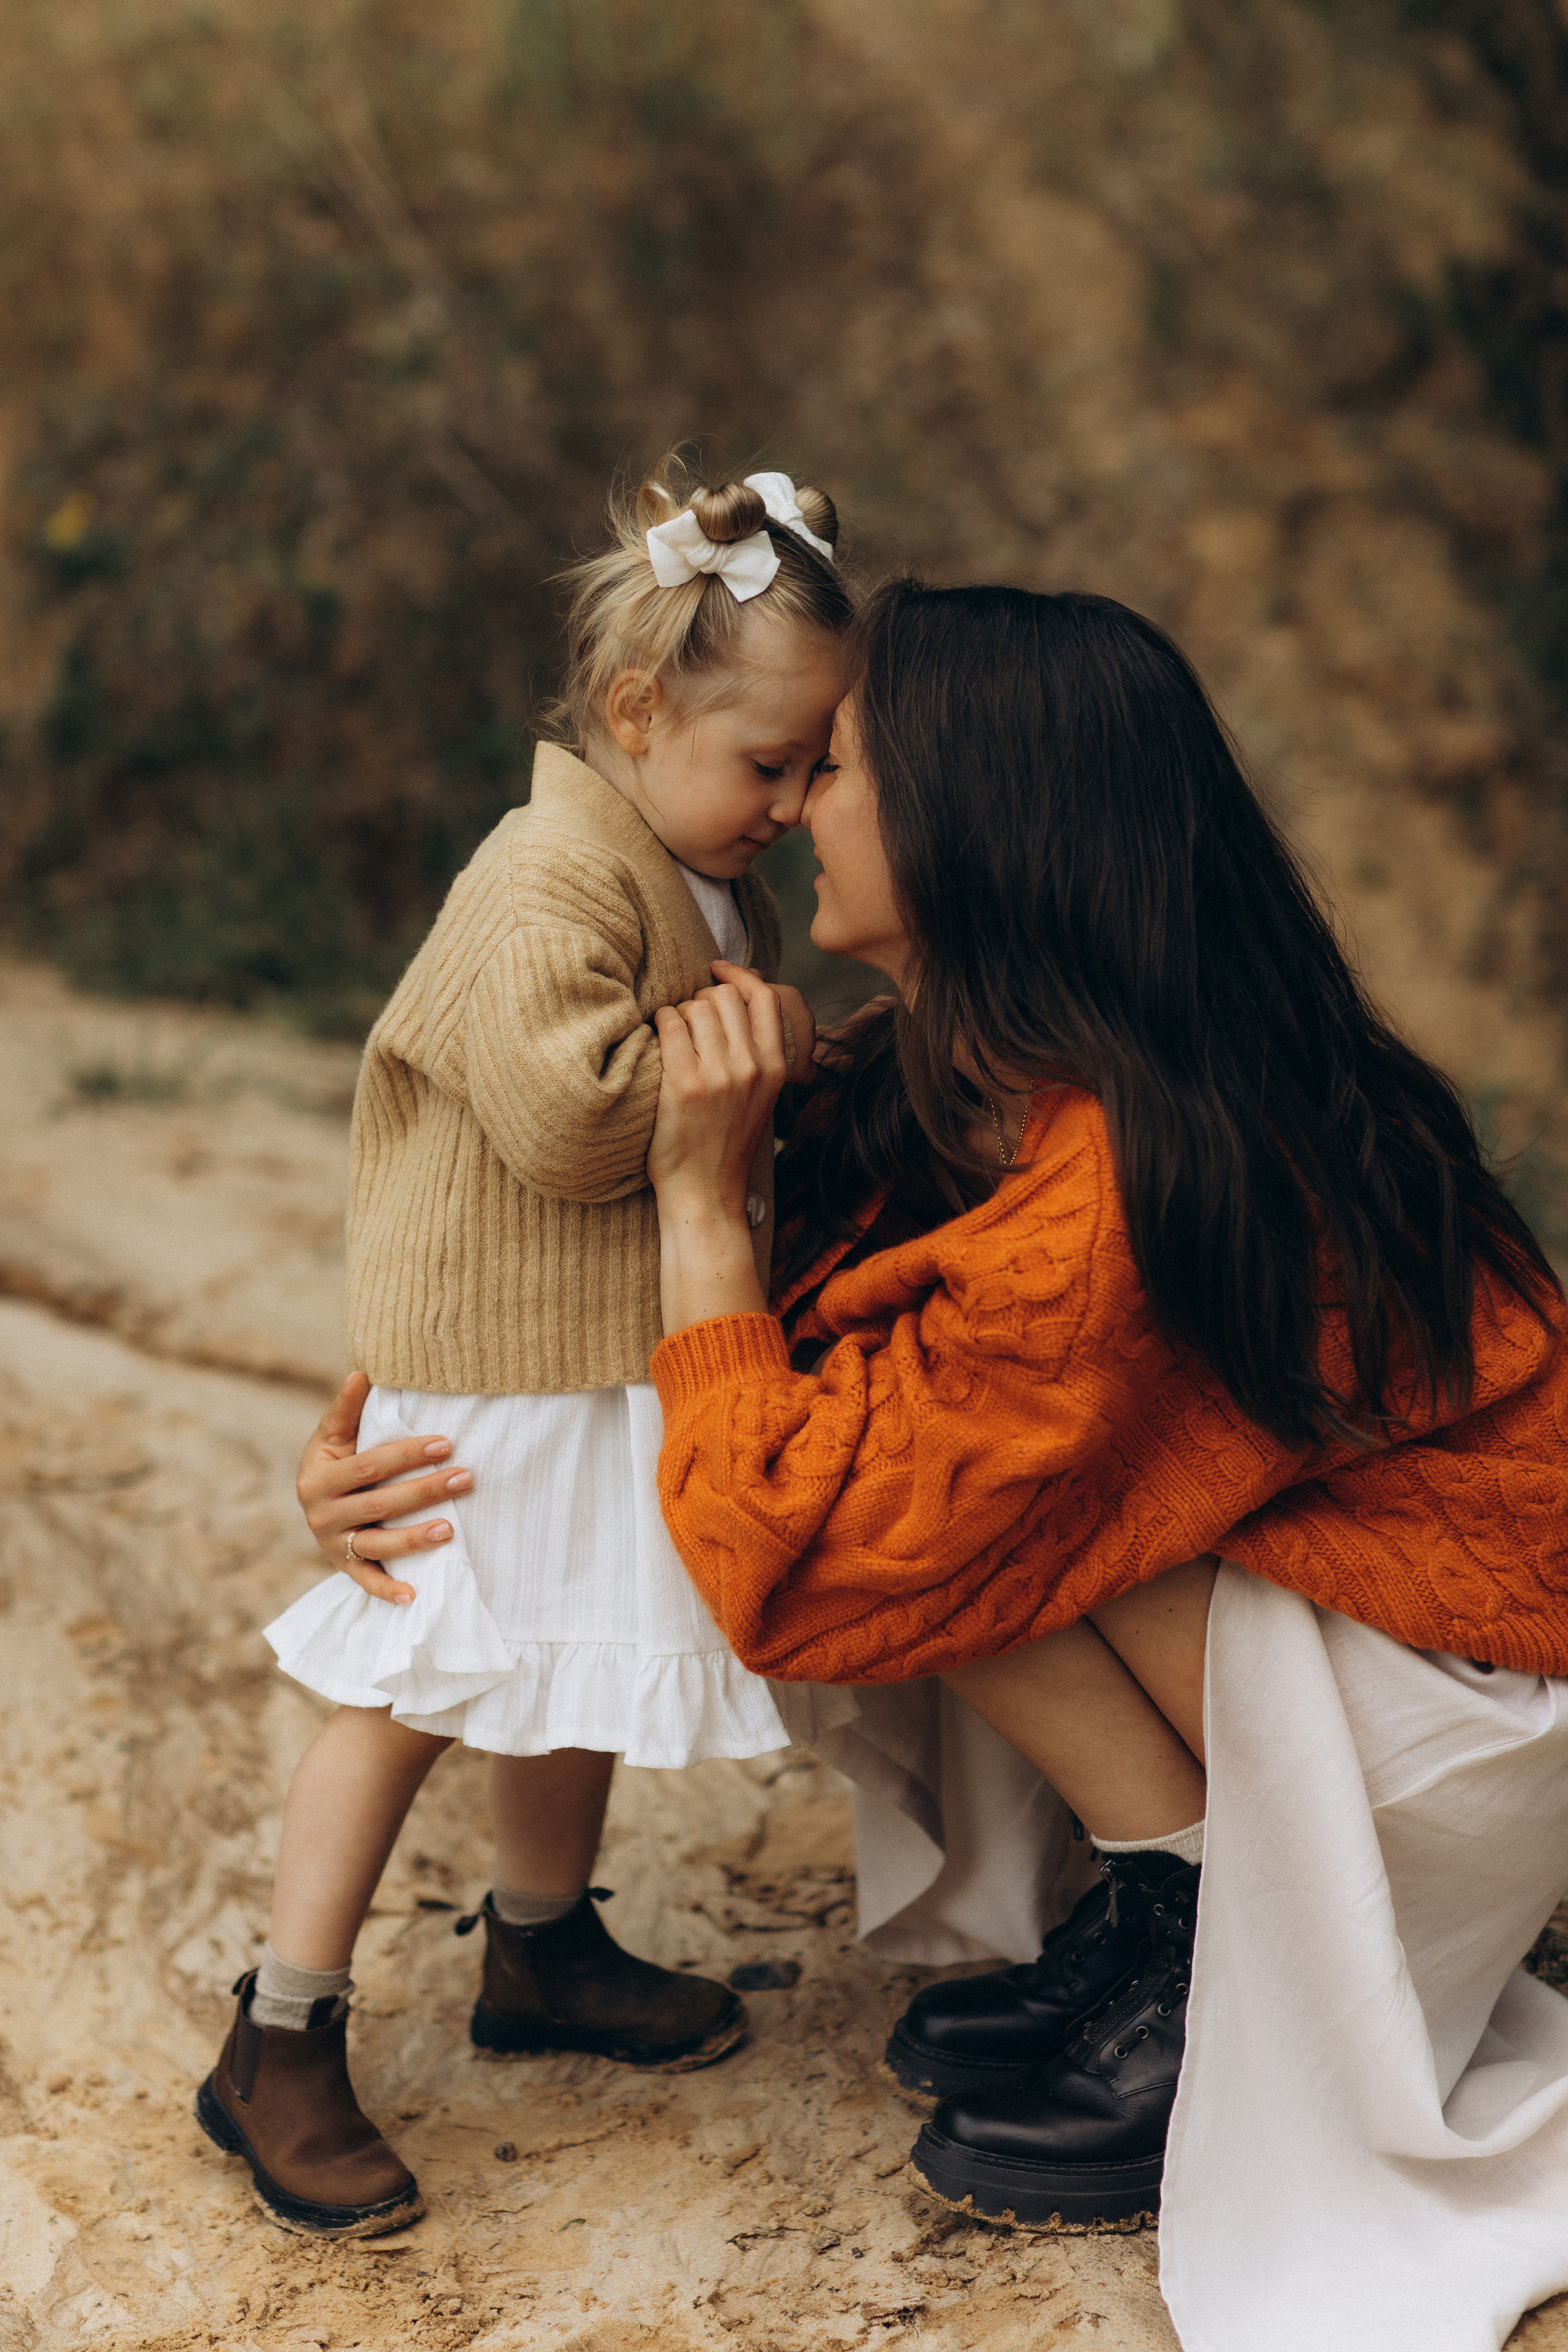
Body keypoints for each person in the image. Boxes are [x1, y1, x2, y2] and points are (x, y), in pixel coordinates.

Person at [636, 579, 1568, 2351]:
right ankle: (1172, 1907)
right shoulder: (1026, 1073)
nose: (798, 806)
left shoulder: (1129, 1181)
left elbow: (788, 1556)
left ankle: (1205, 1949)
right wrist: (400, 1410)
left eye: (836, 766)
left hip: (1470, 1728)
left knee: (922, 1509)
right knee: (929, 1456)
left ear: (974, 818)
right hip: (1405, 1653)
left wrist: (700, 1208)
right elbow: (753, 1332)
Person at [195, 457, 851, 2239]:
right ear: (638, 714)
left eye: (815, 769)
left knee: (572, 1651)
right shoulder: (547, 873)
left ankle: (542, 1948)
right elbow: (570, 1125)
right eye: (766, 765)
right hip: (491, 1375)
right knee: (413, 1684)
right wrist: (753, 1053)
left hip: (601, 1361)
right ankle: (280, 2028)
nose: (791, 805)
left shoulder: (686, 862)